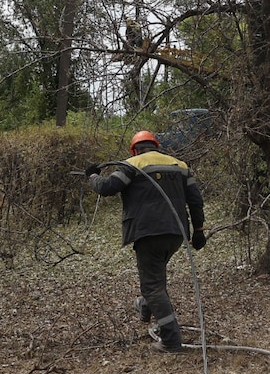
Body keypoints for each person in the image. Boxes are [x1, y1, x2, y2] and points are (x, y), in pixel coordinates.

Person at [85, 130, 206, 353]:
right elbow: (196, 200)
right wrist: (198, 230)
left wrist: (92, 176)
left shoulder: (133, 164)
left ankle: (170, 341)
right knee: (155, 281)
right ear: (156, 146)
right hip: (176, 233)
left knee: (152, 287)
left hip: (148, 232)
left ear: (134, 149)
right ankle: (145, 305)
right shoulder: (179, 165)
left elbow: (107, 188)